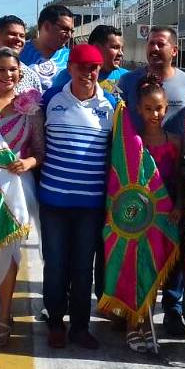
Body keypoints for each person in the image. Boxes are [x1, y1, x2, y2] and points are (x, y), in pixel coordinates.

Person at [117, 26, 185, 337]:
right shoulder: (127, 82)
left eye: (161, 44)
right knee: (137, 248)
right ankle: (133, 306)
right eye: (150, 43)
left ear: (174, 50)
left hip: (172, 174)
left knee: (174, 250)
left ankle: (174, 308)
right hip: (135, 183)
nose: (154, 49)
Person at [39, 44, 118, 349]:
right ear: (69, 67)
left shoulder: (110, 105)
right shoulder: (50, 101)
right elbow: (33, 139)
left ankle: (80, 327)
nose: (88, 73)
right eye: (82, 67)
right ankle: (56, 322)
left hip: (91, 204)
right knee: (56, 264)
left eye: (94, 68)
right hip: (54, 202)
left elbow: (118, 153)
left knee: (83, 267)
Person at [0, 47, 43, 349]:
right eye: (1, 70)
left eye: (13, 70)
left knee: (7, 252)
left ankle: (3, 315)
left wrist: (28, 163)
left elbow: (39, 151)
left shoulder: (30, 108)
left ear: (20, 72)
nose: (8, 75)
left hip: (16, 187)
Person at [124, 75, 183, 352]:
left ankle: (148, 323)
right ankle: (132, 324)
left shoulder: (175, 140)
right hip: (140, 218)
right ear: (138, 109)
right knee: (139, 269)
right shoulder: (134, 143)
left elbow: (182, 177)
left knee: (160, 270)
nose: (154, 114)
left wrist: (181, 205)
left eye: (159, 109)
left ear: (167, 108)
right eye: (148, 109)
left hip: (167, 215)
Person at [0, 15, 42, 94]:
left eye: (22, 36)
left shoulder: (31, 76)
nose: (18, 39)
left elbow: (37, 104)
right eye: (12, 34)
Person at [21, 4, 74, 87]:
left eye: (71, 31)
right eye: (65, 29)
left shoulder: (71, 57)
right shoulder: (20, 53)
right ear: (47, 26)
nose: (69, 35)